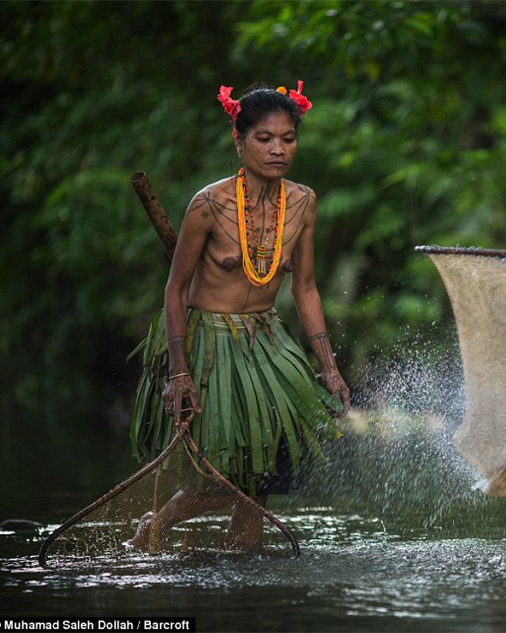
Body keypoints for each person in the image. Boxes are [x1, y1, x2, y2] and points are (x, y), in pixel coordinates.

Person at [129, 81, 351, 552]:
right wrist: (179, 372)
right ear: (239, 140)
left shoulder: (304, 203)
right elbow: (176, 289)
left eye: (288, 139)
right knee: (221, 479)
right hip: (210, 346)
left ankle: (242, 579)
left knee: (264, 478)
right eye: (264, 139)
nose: (278, 149)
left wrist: (329, 367)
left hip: (267, 345)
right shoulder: (209, 205)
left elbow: (306, 287)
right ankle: (156, 527)